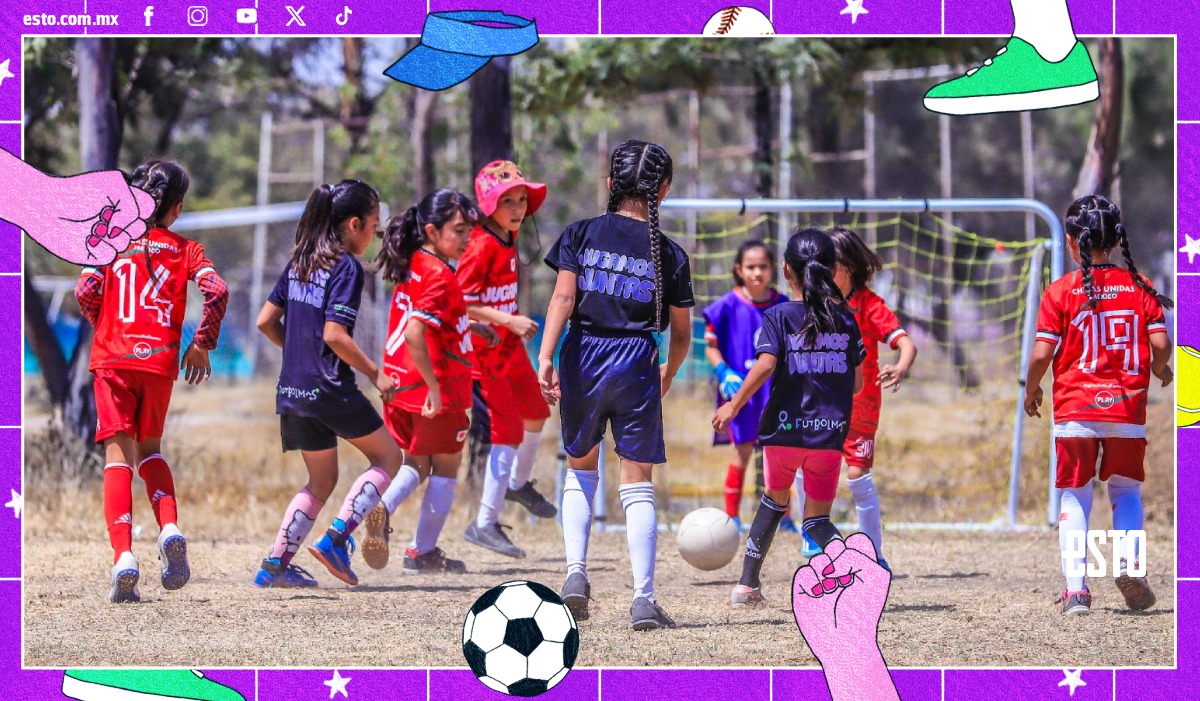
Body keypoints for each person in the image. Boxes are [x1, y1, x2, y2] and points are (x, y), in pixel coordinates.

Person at [539, 140, 694, 630]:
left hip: (582, 355)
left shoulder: (580, 233)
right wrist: (667, 370)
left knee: (580, 467)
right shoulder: (670, 253)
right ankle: (643, 600)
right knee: (637, 481)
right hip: (638, 361)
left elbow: (564, 298)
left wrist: (545, 356)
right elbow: (682, 333)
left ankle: (575, 575)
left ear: (610, 184)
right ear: (663, 192)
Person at [75, 160, 229, 603]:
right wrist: (201, 343)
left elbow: (85, 291)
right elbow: (217, 291)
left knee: (117, 458)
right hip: (159, 362)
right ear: (176, 209)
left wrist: (106, 324)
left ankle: (124, 558)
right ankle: (169, 529)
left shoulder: (108, 243)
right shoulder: (186, 249)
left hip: (114, 360)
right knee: (151, 451)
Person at [1024, 194, 1173, 615]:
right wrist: (1161, 370)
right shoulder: (1141, 287)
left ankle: (1077, 592)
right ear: (1115, 239)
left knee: (1075, 495)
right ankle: (1127, 563)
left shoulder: (1061, 292)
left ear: (1071, 241)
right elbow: (1161, 344)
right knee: (1126, 491)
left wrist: (1031, 389)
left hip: (1076, 411)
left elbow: (1040, 355)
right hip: (1126, 409)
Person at [252, 179, 405, 589]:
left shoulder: (299, 262)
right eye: (373, 225)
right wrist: (376, 373)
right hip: (328, 389)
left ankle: (274, 567)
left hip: (292, 391)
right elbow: (335, 335)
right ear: (353, 224)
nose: (374, 235)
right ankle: (336, 539)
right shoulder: (346, 267)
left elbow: (265, 321)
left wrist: (298, 355)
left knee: (320, 482)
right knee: (390, 459)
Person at [714, 227, 865, 606]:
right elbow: (858, 382)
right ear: (832, 269)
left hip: (783, 432)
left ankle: (747, 585)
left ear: (785, 270)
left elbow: (766, 365)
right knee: (815, 520)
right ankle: (851, 572)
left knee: (772, 502)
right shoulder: (846, 319)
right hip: (828, 437)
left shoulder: (778, 315)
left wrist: (733, 405)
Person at [361, 189, 493, 574]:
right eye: (459, 230)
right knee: (447, 469)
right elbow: (418, 331)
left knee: (417, 464)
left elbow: (434, 318)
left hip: (399, 383)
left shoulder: (414, 262)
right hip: (435, 390)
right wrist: (436, 391)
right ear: (433, 232)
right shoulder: (441, 274)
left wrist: (473, 327)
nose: (467, 237)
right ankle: (420, 550)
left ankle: (386, 511)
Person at [793, 227, 917, 569]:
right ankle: (812, 535)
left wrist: (901, 366)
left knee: (857, 479)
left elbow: (906, 343)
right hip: (818, 407)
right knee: (807, 468)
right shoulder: (812, 304)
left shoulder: (870, 305)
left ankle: (873, 555)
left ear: (849, 267)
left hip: (861, 410)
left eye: (831, 265)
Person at [457, 160, 556, 559]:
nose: (517, 208)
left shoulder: (507, 237)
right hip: (485, 356)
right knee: (509, 432)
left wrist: (510, 326)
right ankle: (483, 524)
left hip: (508, 349)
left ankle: (517, 483)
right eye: (507, 201)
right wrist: (507, 319)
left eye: (521, 199)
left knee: (537, 410)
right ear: (487, 206)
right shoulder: (481, 245)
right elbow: (459, 303)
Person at [702, 240, 793, 532]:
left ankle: (786, 517)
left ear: (773, 270)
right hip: (740, 394)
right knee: (741, 452)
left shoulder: (783, 305)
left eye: (763, 266)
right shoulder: (727, 305)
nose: (757, 272)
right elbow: (710, 347)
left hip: (775, 394)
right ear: (739, 270)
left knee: (779, 456)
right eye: (751, 267)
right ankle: (732, 518)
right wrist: (723, 371)